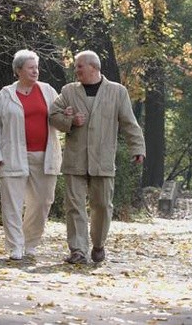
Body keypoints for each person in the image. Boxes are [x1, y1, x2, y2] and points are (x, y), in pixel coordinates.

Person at [49, 50, 145, 264]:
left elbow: (129, 123)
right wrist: (71, 121)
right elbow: (53, 115)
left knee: (102, 205)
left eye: (79, 67)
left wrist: (137, 148)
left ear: (93, 67)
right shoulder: (68, 91)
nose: (76, 71)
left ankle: (99, 244)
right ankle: (78, 250)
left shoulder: (117, 92)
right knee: (74, 206)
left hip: (102, 159)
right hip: (75, 159)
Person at [0, 49, 62, 260]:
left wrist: (67, 115)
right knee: (12, 203)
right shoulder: (6, 94)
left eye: (36, 68)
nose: (35, 71)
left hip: (45, 156)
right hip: (12, 156)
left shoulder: (48, 91)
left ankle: (30, 242)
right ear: (18, 70)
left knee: (43, 201)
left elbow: (59, 115)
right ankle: (15, 246)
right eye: (30, 68)